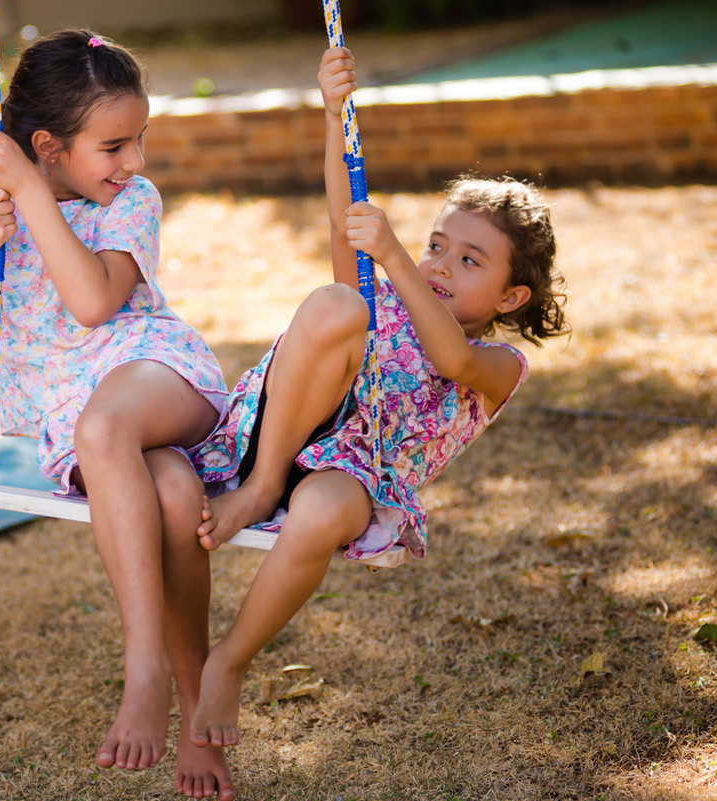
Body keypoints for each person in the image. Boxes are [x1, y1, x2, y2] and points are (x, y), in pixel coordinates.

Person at [187, 45, 570, 751]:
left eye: (469, 261)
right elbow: (345, 220)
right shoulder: (380, 296)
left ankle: (229, 660)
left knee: (325, 511)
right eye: (436, 246)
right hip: (284, 429)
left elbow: (452, 359)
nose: (439, 265)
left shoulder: (500, 365)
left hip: (351, 471)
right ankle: (261, 484)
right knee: (336, 302)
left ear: (511, 297)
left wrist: (395, 256)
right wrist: (334, 114)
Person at [0, 29, 235, 797]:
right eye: (116, 145)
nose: (136, 161)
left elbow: (95, 303)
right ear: (47, 145)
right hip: (80, 417)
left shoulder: (129, 201)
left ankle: (144, 667)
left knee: (106, 425)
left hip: (155, 372)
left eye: (140, 139)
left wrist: (31, 196)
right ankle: (200, 719)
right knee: (171, 494)